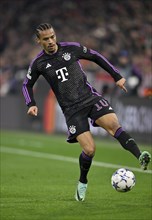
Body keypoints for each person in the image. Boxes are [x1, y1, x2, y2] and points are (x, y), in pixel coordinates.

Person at [22, 23, 151, 202]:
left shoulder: (72, 48)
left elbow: (96, 57)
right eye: (46, 39)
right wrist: (31, 103)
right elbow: (26, 84)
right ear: (39, 41)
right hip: (72, 110)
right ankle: (83, 181)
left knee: (114, 126)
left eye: (52, 36)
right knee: (89, 150)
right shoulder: (38, 63)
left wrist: (116, 76)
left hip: (90, 98)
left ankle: (140, 156)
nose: (51, 41)